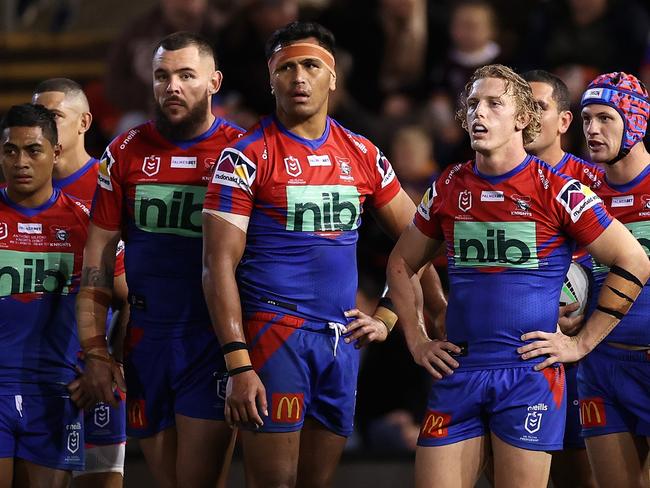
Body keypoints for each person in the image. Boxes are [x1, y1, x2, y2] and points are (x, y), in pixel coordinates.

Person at [202, 20, 446, 487]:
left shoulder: (362, 152)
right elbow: (217, 267)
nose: (298, 77)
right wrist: (238, 363)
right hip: (275, 336)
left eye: (311, 65)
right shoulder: (244, 156)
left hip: (342, 342)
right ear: (270, 78)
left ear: (332, 77)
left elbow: (418, 240)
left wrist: (394, 317)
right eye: (286, 67)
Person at [386, 64, 650, 488]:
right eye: (472, 103)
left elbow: (634, 260)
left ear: (522, 119)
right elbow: (400, 264)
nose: (479, 113)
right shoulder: (449, 186)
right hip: (459, 372)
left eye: (494, 104)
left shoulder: (559, 189)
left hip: (529, 375)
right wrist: (417, 341)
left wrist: (582, 342)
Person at [75, 31, 244, 488]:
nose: (173, 86)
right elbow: (98, 254)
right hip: (145, 340)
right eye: (163, 76)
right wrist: (95, 347)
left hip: (210, 338)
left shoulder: (242, 152)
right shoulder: (124, 153)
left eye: (187, 75)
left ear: (214, 82)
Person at [32, 78, 129, 488]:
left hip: (95, 376)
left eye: (53, 117)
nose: (43, 128)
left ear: (85, 121)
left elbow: (129, 295)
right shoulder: (19, 192)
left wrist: (108, 364)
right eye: (38, 118)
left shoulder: (110, 187)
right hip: (32, 375)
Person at [0, 103, 86, 488]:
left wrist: (106, 358)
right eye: (10, 150)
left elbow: (124, 296)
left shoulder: (85, 223)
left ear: (55, 153)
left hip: (56, 393)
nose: (21, 161)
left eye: (33, 150)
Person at [522, 68, 601, 488]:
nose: (529, 117)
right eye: (522, 107)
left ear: (564, 122)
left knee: (578, 477)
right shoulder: (475, 182)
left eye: (540, 107)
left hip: (580, 356)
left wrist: (586, 316)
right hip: (508, 354)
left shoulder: (595, 183)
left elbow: (630, 260)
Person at [574, 71, 650, 487]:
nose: (592, 129)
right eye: (586, 118)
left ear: (635, 123)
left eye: (605, 118)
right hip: (601, 367)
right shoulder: (579, 193)